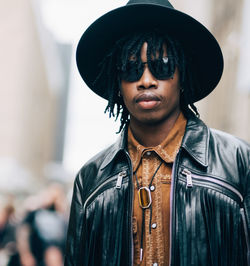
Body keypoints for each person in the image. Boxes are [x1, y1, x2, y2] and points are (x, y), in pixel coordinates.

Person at [64, 0, 250, 265]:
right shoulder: (91, 178)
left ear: (182, 75)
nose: (146, 80)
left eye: (162, 65)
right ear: (117, 84)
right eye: (131, 69)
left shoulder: (239, 162)